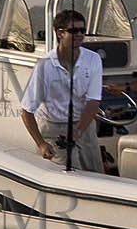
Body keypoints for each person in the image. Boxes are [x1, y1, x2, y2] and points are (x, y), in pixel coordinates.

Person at [20, 9, 103, 171]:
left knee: (97, 175)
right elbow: (26, 112)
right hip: (54, 129)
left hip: (84, 127)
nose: (79, 34)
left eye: (82, 30)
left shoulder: (93, 59)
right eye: (73, 30)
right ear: (60, 33)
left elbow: (93, 103)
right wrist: (42, 144)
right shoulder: (44, 66)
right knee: (71, 176)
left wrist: (77, 131)